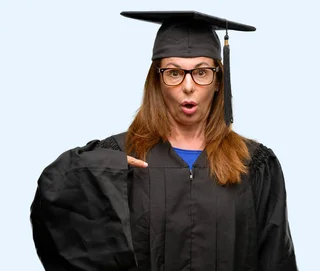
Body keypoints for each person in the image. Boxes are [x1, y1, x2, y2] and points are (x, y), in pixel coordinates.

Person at [30, 10, 298, 271]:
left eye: (202, 72)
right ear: (157, 80)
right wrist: (98, 171)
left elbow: (277, 259)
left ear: (218, 81)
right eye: (173, 72)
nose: (188, 86)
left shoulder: (255, 164)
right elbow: (54, 207)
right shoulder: (119, 159)